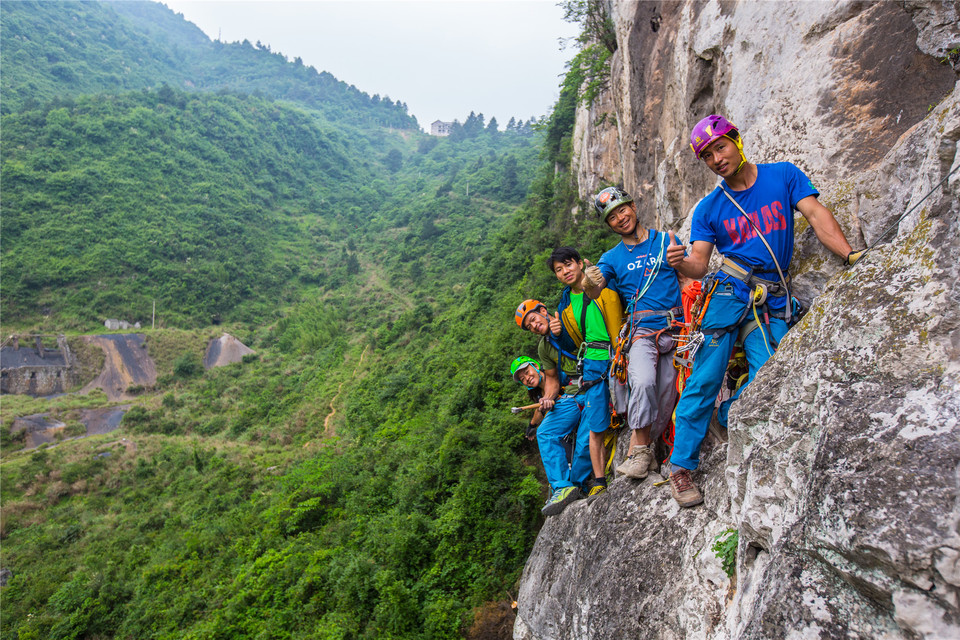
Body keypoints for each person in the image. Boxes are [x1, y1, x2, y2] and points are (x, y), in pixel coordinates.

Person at [663, 114, 860, 507]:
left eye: (720, 147)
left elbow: (817, 215)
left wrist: (851, 254)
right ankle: (680, 468)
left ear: (736, 140)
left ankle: (728, 413)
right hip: (725, 295)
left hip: (769, 298)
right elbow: (700, 264)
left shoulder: (783, 176)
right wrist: (679, 261)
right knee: (703, 378)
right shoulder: (710, 208)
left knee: (772, 375)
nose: (717, 159)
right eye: (707, 156)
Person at [581, 187, 684, 482]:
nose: (620, 218)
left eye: (622, 210)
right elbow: (594, 288)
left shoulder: (666, 241)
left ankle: (654, 450)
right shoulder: (611, 258)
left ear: (634, 206)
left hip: (676, 325)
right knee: (642, 381)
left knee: (667, 392)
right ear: (609, 225)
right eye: (612, 217)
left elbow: (688, 275)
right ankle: (639, 452)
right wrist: (589, 281)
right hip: (642, 329)